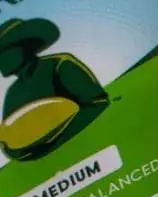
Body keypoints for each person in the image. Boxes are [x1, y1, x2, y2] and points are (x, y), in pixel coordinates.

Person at [0, 17, 108, 161]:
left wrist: (53, 140)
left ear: (22, 47)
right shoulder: (12, 94)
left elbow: (97, 103)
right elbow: (12, 140)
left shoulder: (60, 65)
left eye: (2, 52)